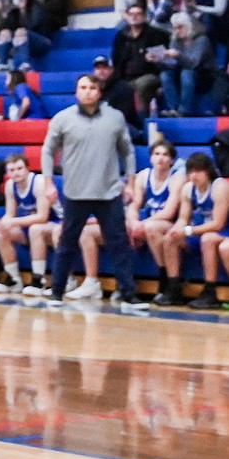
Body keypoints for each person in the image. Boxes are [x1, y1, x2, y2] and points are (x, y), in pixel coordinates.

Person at [40, 75, 148, 311]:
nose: (87, 92)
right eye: (83, 87)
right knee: (67, 243)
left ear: (99, 92)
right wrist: (48, 182)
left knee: (119, 244)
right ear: (76, 91)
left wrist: (130, 182)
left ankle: (128, 294)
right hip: (75, 193)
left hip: (108, 193)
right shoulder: (62, 118)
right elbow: (48, 151)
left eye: (92, 88)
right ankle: (57, 292)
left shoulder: (115, 117)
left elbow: (128, 152)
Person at [163, 152, 228, 310]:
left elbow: (218, 224)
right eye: (191, 171)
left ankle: (210, 290)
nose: (194, 175)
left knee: (208, 239)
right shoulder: (187, 189)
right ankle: (173, 287)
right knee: (169, 239)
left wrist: (188, 230)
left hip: (223, 231)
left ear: (208, 171)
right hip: (201, 230)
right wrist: (177, 229)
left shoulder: (219, 186)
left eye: (198, 171)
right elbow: (183, 218)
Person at [0, 152, 60, 297]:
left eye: (19, 168)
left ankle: (38, 279)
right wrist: (3, 222)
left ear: (28, 168)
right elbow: (10, 214)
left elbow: (43, 217)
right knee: (1, 231)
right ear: (7, 173)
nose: (16, 173)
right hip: (31, 228)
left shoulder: (39, 182)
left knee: (35, 229)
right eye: (12, 170)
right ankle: (14, 279)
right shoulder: (10, 185)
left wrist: (12, 221)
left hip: (55, 223)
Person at [128, 139, 183, 304]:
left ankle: (165, 277)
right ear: (151, 158)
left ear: (172, 160)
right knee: (124, 227)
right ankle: (125, 284)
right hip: (151, 223)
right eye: (157, 154)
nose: (160, 158)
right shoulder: (143, 175)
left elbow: (169, 212)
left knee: (151, 227)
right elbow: (134, 204)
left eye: (165, 155)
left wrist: (142, 224)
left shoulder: (177, 177)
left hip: (171, 224)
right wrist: (133, 222)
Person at [111, 3, 169, 113]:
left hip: (151, 74)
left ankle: (142, 122)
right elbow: (116, 59)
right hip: (125, 76)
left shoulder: (156, 34)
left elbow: (163, 59)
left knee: (140, 86)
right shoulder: (121, 36)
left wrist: (152, 58)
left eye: (138, 14)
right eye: (131, 14)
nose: (134, 16)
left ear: (144, 16)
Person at [159, 11, 215, 116]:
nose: (177, 31)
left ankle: (184, 110)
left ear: (189, 26)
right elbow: (171, 65)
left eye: (180, 27)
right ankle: (173, 109)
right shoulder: (175, 40)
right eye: (175, 28)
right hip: (180, 72)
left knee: (187, 73)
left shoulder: (202, 40)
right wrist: (160, 60)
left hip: (203, 75)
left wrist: (178, 55)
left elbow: (194, 64)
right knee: (165, 75)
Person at [90, 55, 142, 140]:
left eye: (105, 68)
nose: (101, 71)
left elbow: (121, 117)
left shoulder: (123, 88)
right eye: (98, 68)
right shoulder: (92, 88)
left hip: (127, 126)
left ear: (112, 70)